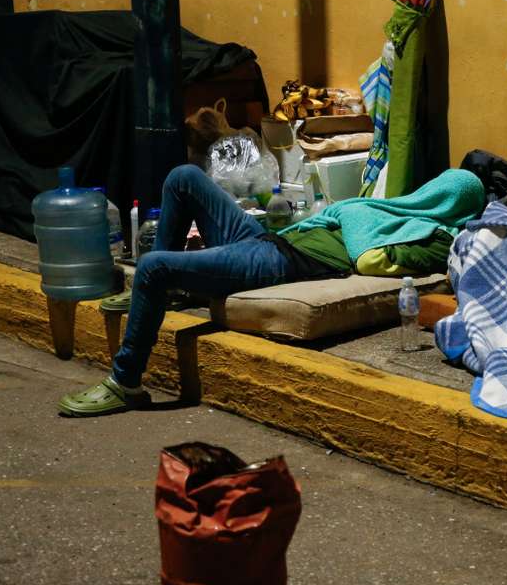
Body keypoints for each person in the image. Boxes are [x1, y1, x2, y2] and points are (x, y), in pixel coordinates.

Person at [57, 164, 483, 417]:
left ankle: (126, 383)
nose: (431, 195)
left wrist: (356, 221)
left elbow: (371, 260)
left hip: (279, 263)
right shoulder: (399, 210)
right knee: (183, 177)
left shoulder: (435, 238)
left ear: (452, 204)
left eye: (443, 194)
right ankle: (162, 293)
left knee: (152, 266)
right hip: (267, 238)